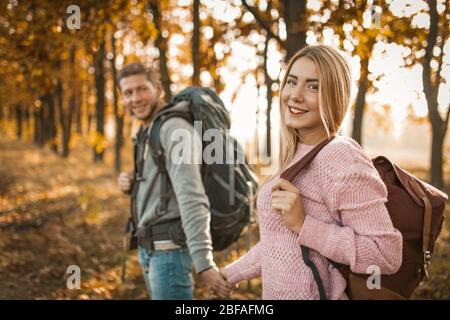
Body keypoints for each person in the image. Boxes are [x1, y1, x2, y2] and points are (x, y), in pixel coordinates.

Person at [220, 45, 403, 300]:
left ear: (334, 96)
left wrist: (305, 224)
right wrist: (231, 274)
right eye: (292, 82)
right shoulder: (294, 153)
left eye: (313, 86)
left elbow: (384, 255)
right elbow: (281, 244)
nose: (295, 95)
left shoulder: (341, 157)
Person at [117, 62, 233, 299]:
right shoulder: (149, 130)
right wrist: (132, 185)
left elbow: (192, 196)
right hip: (150, 250)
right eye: (128, 92)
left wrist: (204, 263)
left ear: (158, 88)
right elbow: (163, 185)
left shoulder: (174, 129)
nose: (135, 98)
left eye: (142, 89)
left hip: (169, 255)